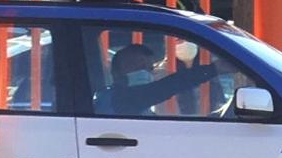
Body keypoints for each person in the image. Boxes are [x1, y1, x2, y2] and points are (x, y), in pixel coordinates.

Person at [94, 43, 227, 116]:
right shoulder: (119, 99)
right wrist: (215, 69)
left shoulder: (140, 106)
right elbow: (168, 86)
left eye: (149, 68)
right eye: (138, 67)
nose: (145, 73)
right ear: (117, 72)